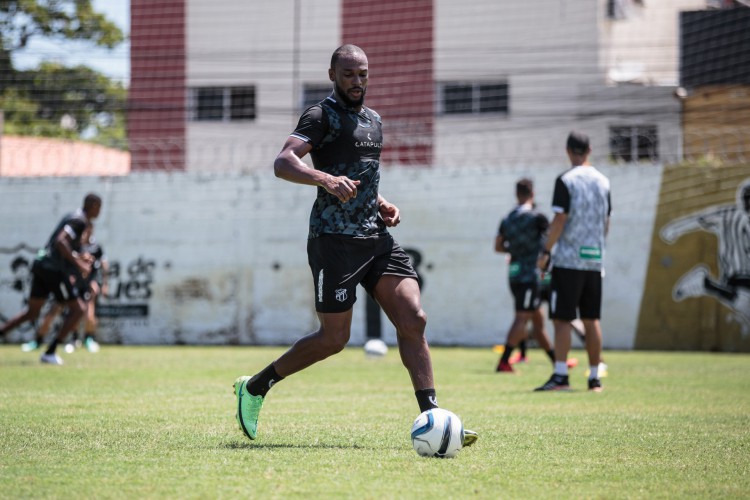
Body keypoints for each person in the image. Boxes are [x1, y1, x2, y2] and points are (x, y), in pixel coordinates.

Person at [233, 44, 477, 446]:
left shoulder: (374, 120)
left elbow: (363, 176)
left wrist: (381, 203)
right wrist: (325, 179)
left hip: (374, 237)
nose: (357, 81)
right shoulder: (319, 115)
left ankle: (433, 417)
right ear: (332, 75)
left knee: (413, 318)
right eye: (349, 74)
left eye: (363, 74)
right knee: (334, 339)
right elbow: (283, 162)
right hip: (334, 241)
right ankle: (257, 387)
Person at [535, 131, 610, 392]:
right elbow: (606, 222)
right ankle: (594, 377)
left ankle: (560, 376)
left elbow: (559, 220)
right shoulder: (604, 181)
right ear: (589, 149)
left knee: (562, 319)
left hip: (568, 260)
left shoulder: (566, 180)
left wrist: (546, 251)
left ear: (568, 151)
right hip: (595, 259)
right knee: (592, 319)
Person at [0, 193, 102, 364]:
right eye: (99, 207)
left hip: (42, 265)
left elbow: (63, 245)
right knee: (78, 309)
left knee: (32, 313)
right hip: (53, 270)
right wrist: (79, 263)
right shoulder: (79, 221)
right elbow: (60, 242)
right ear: (93, 205)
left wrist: (78, 256)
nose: (99, 212)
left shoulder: (73, 217)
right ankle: (50, 352)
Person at [494, 178, 557, 372]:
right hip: (530, 276)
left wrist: (515, 250)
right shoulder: (538, 218)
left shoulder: (507, 218)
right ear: (533, 194)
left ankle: (558, 362)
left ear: (516, 194)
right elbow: (550, 241)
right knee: (522, 318)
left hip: (514, 275)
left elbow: (498, 246)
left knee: (538, 322)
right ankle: (504, 362)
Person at [21, 225, 108, 354]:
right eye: (84, 230)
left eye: (88, 230)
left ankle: (87, 339)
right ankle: (39, 340)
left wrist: (104, 283)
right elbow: (68, 261)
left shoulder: (96, 247)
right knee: (53, 312)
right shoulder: (73, 246)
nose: (86, 233)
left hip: (86, 285)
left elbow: (103, 264)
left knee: (88, 312)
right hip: (69, 285)